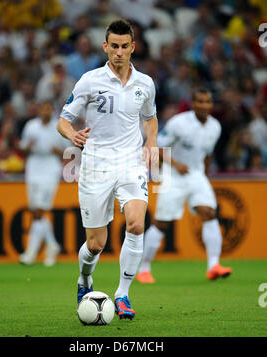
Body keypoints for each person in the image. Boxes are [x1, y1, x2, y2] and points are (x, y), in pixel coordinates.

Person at [57, 19, 158, 320]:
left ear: (132, 47)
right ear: (105, 47)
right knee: (95, 244)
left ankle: (123, 294)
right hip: (95, 165)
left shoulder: (145, 84)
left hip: (131, 162)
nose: (119, 52)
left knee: (137, 224)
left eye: (124, 46)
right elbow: (63, 118)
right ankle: (84, 279)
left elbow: (150, 118)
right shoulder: (89, 80)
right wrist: (71, 134)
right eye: (113, 46)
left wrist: (151, 141)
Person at [136, 88, 233, 284]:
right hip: (172, 176)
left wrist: (203, 176)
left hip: (196, 175)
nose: (204, 105)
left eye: (207, 102)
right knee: (162, 223)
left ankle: (213, 265)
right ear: (193, 104)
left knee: (209, 212)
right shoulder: (178, 123)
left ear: (211, 105)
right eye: (200, 101)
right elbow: (157, 146)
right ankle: (144, 268)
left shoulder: (215, 127)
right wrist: (176, 164)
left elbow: (207, 154)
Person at [19, 101, 67, 267]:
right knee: (35, 211)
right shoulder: (31, 126)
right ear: (39, 110)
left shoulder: (58, 126)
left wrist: (57, 151)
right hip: (33, 168)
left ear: (52, 110)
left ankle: (30, 252)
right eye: (43, 108)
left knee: (40, 210)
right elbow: (23, 148)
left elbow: (68, 150)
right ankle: (52, 245)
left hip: (50, 168)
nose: (45, 111)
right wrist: (28, 147)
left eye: (48, 108)